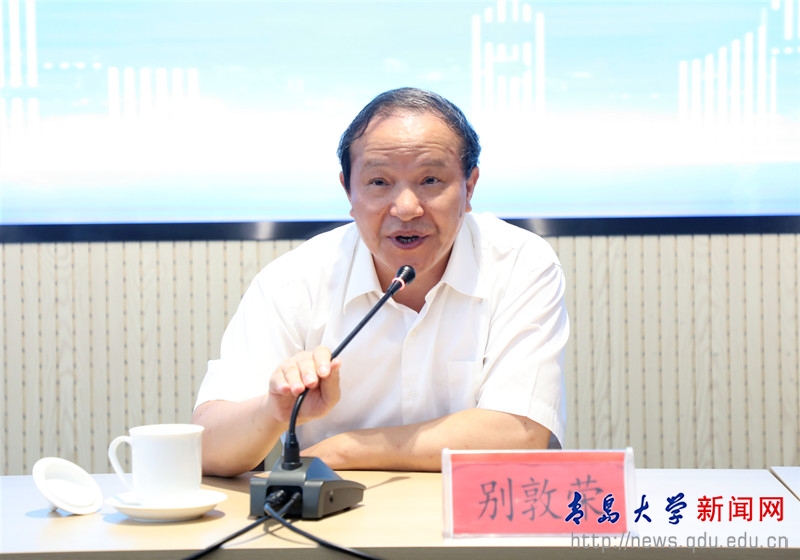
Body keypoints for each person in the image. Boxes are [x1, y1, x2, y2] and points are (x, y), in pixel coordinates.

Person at [192, 87, 569, 477]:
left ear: (469, 186)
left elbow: (519, 434)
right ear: (348, 190)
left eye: (430, 180)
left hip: (477, 510)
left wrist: (343, 450)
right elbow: (208, 447)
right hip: (341, 514)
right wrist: (272, 410)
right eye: (378, 182)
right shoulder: (294, 281)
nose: (406, 208)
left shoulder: (520, 264)